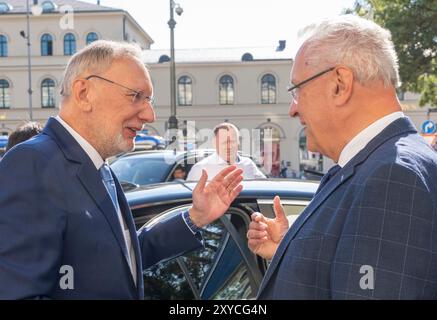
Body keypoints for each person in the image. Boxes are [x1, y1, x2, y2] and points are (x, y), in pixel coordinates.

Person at [0, 40, 243, 299]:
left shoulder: (97, 164)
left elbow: (122, 255)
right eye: (136, 96)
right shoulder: (33, 163)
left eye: (149, 100)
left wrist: (195, 216)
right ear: (84, 93)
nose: (149, 115)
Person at [247, 15, 437, 299]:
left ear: (340, 84)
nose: (292, 109)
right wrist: (293, 248)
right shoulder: (375, 164)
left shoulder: (391, 176)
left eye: (298, 90)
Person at [187, 122, 266, 181]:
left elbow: (265, 186)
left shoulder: (248, 164)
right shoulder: (200, 169)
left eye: (232, 141)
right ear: (214, 143)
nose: (229, 146)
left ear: (238, 141)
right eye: (224, 142)